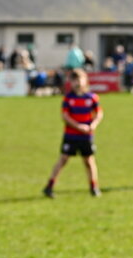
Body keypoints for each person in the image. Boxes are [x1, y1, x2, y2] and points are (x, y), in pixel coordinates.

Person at [43, 68, 103, 198]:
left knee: (89, 161)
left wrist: (93, 125)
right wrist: (79, 126)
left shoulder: (92, 97)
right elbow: (65, 116)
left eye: (79, 79)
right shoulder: (68, 98)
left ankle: (94, 187)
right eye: (74, 80)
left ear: (85, 80)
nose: (77, 83)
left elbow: (99, 113)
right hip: (71, 135)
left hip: (87, 136)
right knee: (63, 159)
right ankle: (49, 186)